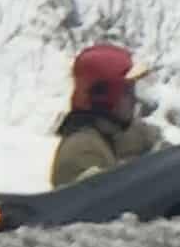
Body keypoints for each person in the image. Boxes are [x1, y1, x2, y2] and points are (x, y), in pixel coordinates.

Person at [50, 43, 167, 187]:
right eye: (127, 92)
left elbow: (149, 138)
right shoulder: (81, 152)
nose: (134, 99)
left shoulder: (112, 129)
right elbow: (108, 200)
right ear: (104, 98)